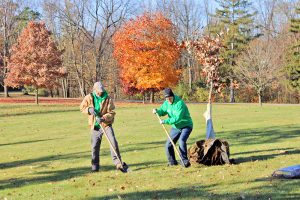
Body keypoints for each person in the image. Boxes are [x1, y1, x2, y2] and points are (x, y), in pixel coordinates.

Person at [80, 81, 128, 172]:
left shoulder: (108, 98)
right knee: (95, 146)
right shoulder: (89, 97)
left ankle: (118, 163)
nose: (100, 92)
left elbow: (112, 113)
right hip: (95, 126)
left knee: (113, 142)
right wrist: (89, 109)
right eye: (98, 91)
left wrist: (103, 118)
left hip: (106, 125)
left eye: (101, 90)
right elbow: (82, 108)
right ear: (94, 90)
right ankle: (95, 166)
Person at [153, 88, 193, 167]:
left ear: (173, 96)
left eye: (170, 98)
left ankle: (184, 161)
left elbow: (178, 118)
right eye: (167, 99)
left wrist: (165, 121)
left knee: (181, 141)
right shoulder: (166, 103)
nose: (169, 100)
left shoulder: (180, 103)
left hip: (186, 125)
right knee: (168, 144)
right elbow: (162, 111)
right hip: (176, 127)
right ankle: (172, 162)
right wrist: (157, 111)